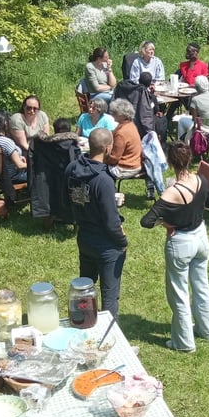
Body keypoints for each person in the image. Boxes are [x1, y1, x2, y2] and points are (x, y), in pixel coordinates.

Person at [140, 141, 209, 353]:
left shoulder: (170, 193)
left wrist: (167, 222)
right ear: (189, 158)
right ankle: (207, 330)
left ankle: (184, 342)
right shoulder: (201, 179)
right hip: (201, 238)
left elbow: (146, 221)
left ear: (170, 162)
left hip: (181, 243)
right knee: (202, 286)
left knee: (179, 294)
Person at [65, 128, 128, 320]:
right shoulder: (103, 180)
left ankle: (83, 324)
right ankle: (108, 340)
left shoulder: (72, 170)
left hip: (84, 237)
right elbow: (110, 222)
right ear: (108, 148)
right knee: (109, 297)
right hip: (107, 245)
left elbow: (67, 199)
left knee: (85, 290)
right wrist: (122, 241)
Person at [106, 99, 144, 180]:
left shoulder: (122, 133)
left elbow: (114, 158)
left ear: (122, 115)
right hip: (135, 163)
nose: (112, 114)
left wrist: (101, 157)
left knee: (98, 168)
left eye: (115, 112)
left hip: (126, 168)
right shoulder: (130, 124)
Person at [177, 75, 209, 142]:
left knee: (182, 120)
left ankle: (181, 143)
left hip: (206, 129)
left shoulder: (195, 99)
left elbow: (194, 119)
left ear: (196, 87)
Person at [0, 109, 27, 183]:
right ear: (6, 123)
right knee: (44, 171)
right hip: (13, 177)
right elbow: (19, 165)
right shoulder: (7, 142)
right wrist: (33, 164)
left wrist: (19, 157)